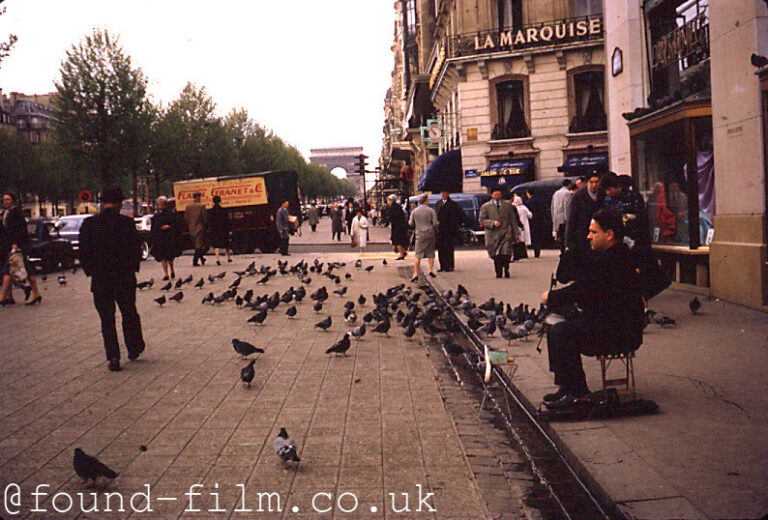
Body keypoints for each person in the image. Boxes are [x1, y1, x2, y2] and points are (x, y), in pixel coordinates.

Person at [541, 209, 644, 409]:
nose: (589, 236)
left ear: (609, 234)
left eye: (594, 232)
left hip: (621, 332)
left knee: (562, 332)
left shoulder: (613, 259)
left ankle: (579, 394)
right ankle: (566, 386)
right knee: (555, 328)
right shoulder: (611, 255)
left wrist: (551, 297)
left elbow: (583, 288)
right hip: (610, 323)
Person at [79, 187, 146, 372]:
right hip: (124, 277)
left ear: (102, 203)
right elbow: (135, 250)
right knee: (129, 313)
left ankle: (113, 356)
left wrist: (91, 271)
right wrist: (133, 268)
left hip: (101, 279)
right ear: (119, 204)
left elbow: (83, 252)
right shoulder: (126, 223)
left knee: (107, 319)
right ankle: (134, 347)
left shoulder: (89, 224)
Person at [0, 191, 42, 305]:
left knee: (7, 270)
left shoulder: (16, 212)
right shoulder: (6, 212)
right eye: (4, 199)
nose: (5, 202)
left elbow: (20, 229)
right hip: (9, 245)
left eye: (8, 199)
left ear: (13, 200)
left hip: (17, 246)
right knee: (26, 270)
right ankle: (36, 293)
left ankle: (3, 296)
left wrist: (16, 243)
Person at [565, 172, 604, 270]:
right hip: (583, 236)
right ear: (586, 183)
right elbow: (572, 219)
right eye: (592, 182)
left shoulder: (603, 194)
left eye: (596, 182)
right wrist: (569, 241)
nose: (594, 185)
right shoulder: (578, 196)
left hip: (600, 237)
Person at [478, 187, 520, 278]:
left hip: (506, 232)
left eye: (499, 194)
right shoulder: (485, 206)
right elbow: (482, 220)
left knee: (505, 252)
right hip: (493, 234)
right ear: (492, 195)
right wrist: (492, 223)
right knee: (496, 254)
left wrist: (516, 232)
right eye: (495, 194)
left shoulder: (507, 205)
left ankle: (506, 267)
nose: (497, 196)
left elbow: (513, 219)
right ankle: (498, 271)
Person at [409, 193, 438, 281]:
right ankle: (431, 270)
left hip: (420, 234)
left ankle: (415, 273)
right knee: (430, 252)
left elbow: (410, 223)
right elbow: (435, 223)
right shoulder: (431, 210)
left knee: (418, 254)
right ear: (425, 201)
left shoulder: (414, 211)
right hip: (430, 233)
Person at [150, 196, 181, 280]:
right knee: (162, 256)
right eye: (159, 205)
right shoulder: (156, 216)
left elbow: (177, 225)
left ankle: (171, 269)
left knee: (170, 256)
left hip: (169, 237)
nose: (160, 207)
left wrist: (169, 227)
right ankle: (166, 273)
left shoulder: (171, 215)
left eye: (161, 205)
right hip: (161, 238)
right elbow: (153, 228)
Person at [435, 190, 466, 272]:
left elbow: (458, 216)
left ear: (448, 194)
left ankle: (449, 266)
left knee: (448, 248)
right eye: (442, 193)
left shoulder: (453, 204)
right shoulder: (438, 203)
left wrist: (455, 226)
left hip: (449, 230)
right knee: (441, 249)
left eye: (445, 193)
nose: (443, 195)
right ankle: (442, 266)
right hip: (440, 230)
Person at [207, 195, 232, 265]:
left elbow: (209, 221)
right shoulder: (223, 210)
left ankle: (217, 259)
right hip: (223, 229)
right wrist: (229, 229)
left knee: (216, 245)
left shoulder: (211, 211)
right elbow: (227, 221)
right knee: (226, 244)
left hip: (214, 229)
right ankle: (229, 257)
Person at [184, 192, 207, 266]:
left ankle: (202, 259)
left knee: (197, 244)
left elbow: (186, 218)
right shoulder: (202, 206)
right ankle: (195, 261)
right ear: (198, 197)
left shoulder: (188, 207)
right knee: (199, 245)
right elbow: (204, 218)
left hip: (191, 228)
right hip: (199, 227)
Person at [551, 179, 572, 251]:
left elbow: (552, 207)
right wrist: (568, 219)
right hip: (564, 219)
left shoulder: (556, 193)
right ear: (569, 185)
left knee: (559, 238)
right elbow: (567, 206)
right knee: (565, 238)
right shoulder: (567, 193)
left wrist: (553, 219)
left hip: (556, 219)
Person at [524, 188, 545, 258]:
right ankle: (537, 251)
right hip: (539, 221)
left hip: (531, 222)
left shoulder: (527, 202)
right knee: (538, 236)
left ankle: (534, 249)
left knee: (533, 236)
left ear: (528, 194)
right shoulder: (539, 201)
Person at [387, 194, 409, 260]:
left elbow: (392, 218)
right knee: (399, 240)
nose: (387, 201)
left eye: (388, 200)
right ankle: (403, 252)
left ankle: (401, 255)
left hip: (397, 227)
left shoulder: (393, 208)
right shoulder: (398, 207)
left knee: (397, 241)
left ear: (391, 200)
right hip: (401, 226)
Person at [512, 194, 532, 259]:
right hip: (525, 225)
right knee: (525, 240)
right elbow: (530, 215)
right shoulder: (524, 208)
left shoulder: (514, 208)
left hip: (517, 225)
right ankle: (525, 253)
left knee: (518, 240)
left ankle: (518, 254)